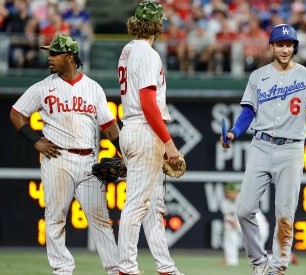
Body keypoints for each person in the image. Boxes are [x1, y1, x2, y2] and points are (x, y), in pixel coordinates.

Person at [220, 23, 306, 275]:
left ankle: (278, 268)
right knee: (244, 208)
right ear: (271, 46)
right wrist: (234, 133)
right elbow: (248, 112)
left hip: (292, 148)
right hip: (261, 144)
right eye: (280, 44)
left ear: (295, 48)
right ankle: (259, 262)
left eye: (289, 45)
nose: (285, 49)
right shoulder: (257, 76)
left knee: (285, 214)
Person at [9, 34, 120, 275]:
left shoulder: (93, 88)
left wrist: (125, 155)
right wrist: (36, 140)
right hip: (58, 159)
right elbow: (16, 113)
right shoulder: (42, 87)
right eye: (50, 53)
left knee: (100, 218)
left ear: (70, 57)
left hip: (89, 161)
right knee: (55, 217)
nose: (49, 58)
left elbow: (109, 127)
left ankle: (115, 269)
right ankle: (62, 270)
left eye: (55, 54)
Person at [117, 1, 183, 275]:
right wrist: (168, 143)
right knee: (137, 204)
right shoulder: (147, 53)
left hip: (132, 127)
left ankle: (165, 267)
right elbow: (147, 102)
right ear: (158, 24)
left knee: (153, 205)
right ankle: (127, 268)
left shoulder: (128, 49)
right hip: (144, 128)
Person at [220, 182, 269, 267]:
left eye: (229, 192)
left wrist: (234, 224)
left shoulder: (244, 201)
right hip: (245, 228)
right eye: (226, 192)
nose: (227, 194)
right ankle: (231, 260)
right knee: (228, 228)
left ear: (235, 192)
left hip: (257, 228)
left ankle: (285, 258)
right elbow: (228, 218)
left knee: (255, 260)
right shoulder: (225, 202)